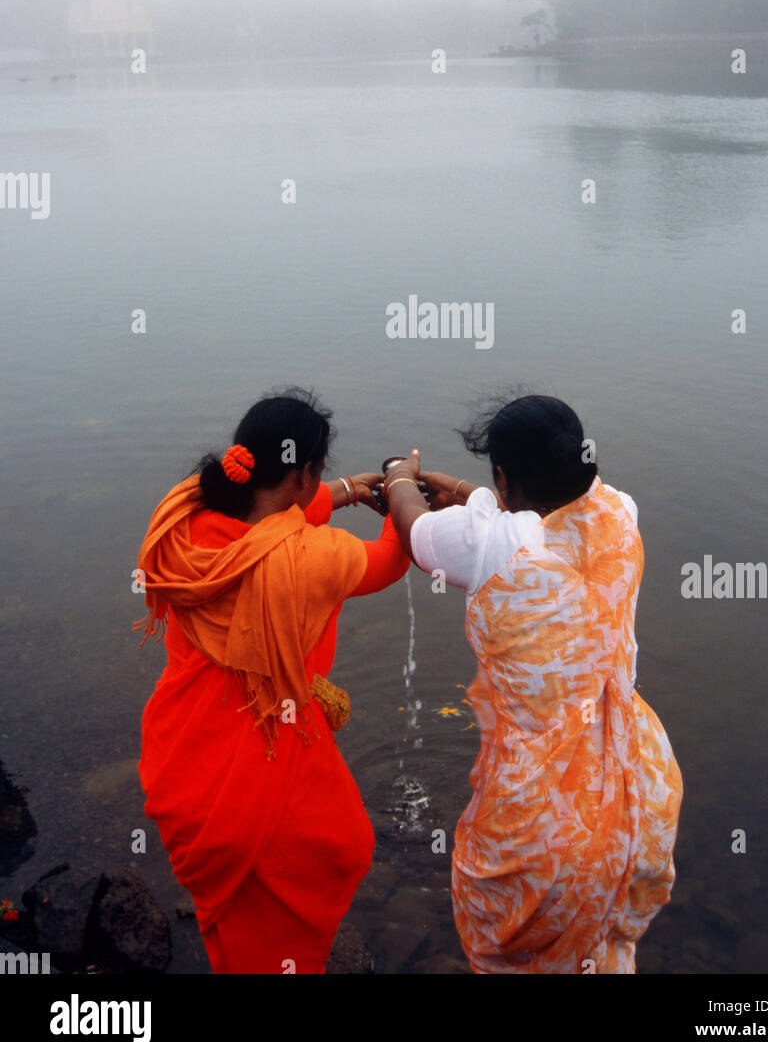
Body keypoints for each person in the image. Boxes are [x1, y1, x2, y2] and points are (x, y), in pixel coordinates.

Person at [382, 394, 683, 974]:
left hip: (538, 809)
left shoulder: (493, 547)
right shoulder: (620, 512)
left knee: (518, 952)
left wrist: (402, 475)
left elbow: (413, 528)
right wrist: (474, 495)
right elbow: (543, 519)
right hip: (634, 783)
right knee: (601, 945)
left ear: (503, 477)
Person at [134, 387, 408, 974]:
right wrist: (404, 489)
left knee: (238, 900)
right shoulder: (311, 561)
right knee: (338, 849)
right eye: (318, 476)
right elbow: (392, 556)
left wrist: (348, 491)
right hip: (263, 744)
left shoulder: (184, 520)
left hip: (183, 762)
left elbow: (270, 523)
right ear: (304, 474)